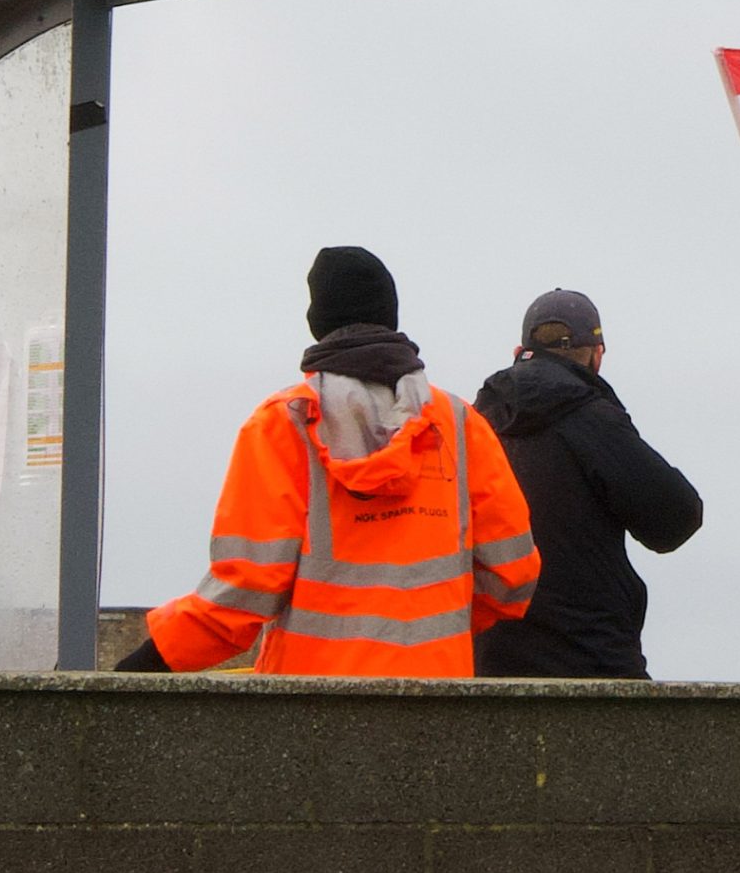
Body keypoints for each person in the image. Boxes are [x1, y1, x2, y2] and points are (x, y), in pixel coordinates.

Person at [118, 246, 540, 676]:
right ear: (390, 316)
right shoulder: (458, 425)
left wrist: (143, 666)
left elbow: (244, 591)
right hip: (435, 698)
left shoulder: (284, 425)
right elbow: (513, 575)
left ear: (317, 322)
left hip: (310, 709)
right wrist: (433, 631)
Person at [471, 289, 702, 678]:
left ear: (519, 350)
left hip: (489, 662)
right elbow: (677, 519)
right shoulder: (592, 418)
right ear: (598, 355)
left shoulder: (473, 425)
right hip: (591, 661)